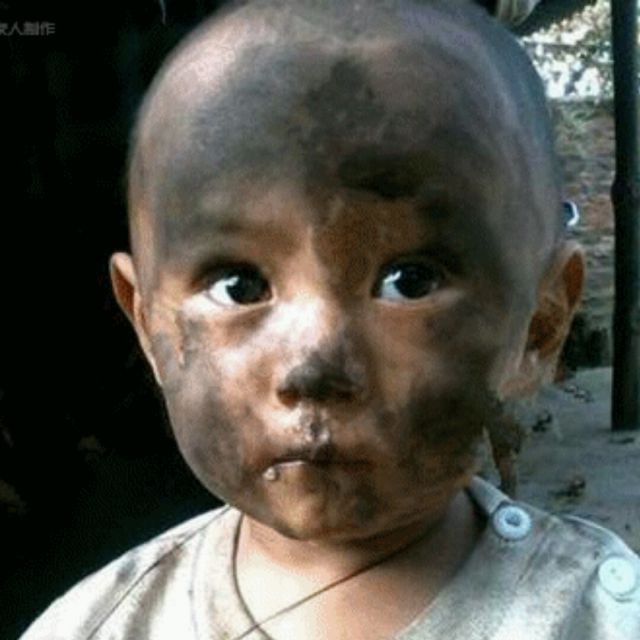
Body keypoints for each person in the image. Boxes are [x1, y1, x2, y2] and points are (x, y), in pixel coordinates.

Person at [20, 1, 639, 638]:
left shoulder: (602, 618)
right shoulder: (95, 627)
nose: (312, 366)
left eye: (410, 281)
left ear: (540, 324)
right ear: (150, 327)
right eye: (240, 286)